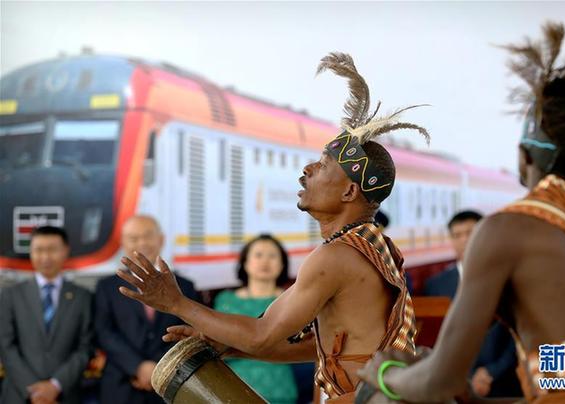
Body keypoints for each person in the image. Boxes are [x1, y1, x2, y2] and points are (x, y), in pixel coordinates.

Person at [357, 23, 565, 403]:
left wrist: (383, 372)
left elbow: (437, 386)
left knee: (380, 398)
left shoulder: (507, 230)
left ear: (524, 155)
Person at [116, 52, 429, 403]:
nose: (307, 169)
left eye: (323, 165)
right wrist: (233, 348)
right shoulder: (369, 245)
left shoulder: (337, 255)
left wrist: (176, 302)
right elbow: (316, 345)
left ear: (349, 191)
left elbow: (263, 333)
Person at [94, 215, 199, 404]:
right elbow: (104, 333)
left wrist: (157, 367)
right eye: (134, 238)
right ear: (123, 243)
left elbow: (191, 331)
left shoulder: (186, 287)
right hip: (121, 385)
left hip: (170, 385)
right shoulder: (106, 287)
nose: (142, 243)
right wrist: (137, 367)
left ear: (161, 239)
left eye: (148, 236)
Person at [424, 210, 521, 398]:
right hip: (453, 383)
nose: (464, 240)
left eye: (470, 233)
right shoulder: (436, 284)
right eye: (457, 235)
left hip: (503, 381)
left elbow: (518, 334)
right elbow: (436, 338)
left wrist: (492, 372)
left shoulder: (508, 281)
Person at [0, 226, 94, 404]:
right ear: (30, 252)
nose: (45, 257)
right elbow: (5, 346)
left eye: (52, 249)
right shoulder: (11, 295)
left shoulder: (83, 297)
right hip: (19, 395)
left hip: (65, 395)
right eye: (39, 250)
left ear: (65, 251)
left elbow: (85, 347)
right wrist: (34, 389)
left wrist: (55, 385)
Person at [213, 234, 298, 404]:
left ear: (282, 264)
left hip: (280, 388)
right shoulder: (226, 300)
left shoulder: (292, 299)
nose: (265, 261)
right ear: (245, 262)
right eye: (258, 255)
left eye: (272, 256)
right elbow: (216, 345)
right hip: (232, 389)